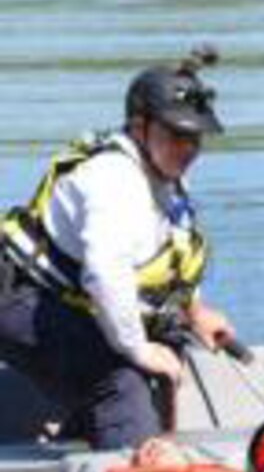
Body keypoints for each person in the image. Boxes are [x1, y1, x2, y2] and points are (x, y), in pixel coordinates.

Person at [0, 47, 238, 449]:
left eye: (195, 136)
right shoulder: (114, 181)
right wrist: (136, 348)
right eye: (176, 134)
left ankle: (100, 444)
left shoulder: (165, 174)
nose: (189, 148)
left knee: (166, 347)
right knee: (119, 380)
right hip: (22, 299)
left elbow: (173, 251)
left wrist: (195, 311)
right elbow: (105, 274)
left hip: (72, 299)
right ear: (139, 126)